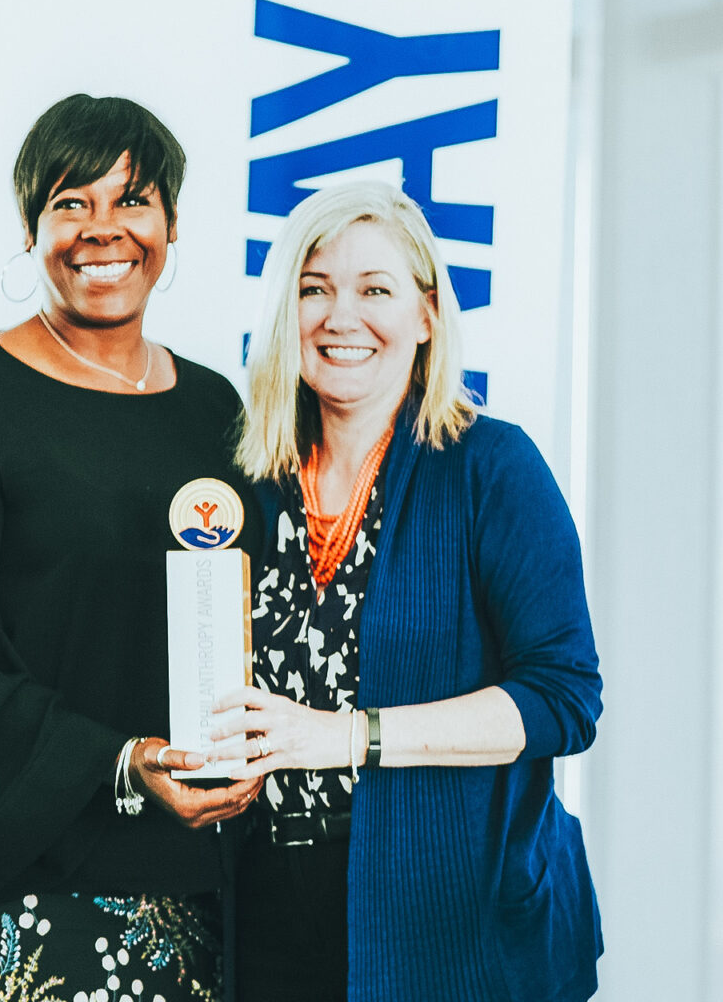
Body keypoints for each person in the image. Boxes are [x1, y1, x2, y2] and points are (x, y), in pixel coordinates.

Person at [0, 93, 262, 1002]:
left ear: (172, 223)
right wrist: (119, 762)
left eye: (132, 200)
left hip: (181, 886)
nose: (103, 229)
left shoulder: (214, 411)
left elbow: (248, 619)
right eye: (71, 202)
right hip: (5, 896)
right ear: (32, 230)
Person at [209, 181, 603, 1001]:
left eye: (375, 290)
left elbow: (563, 699)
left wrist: (349, 736)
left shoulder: (491, 467)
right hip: (270, 914)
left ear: (426, 315)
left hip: (453, 923)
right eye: (314, 289)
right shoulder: (248, 480)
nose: (340, 317)